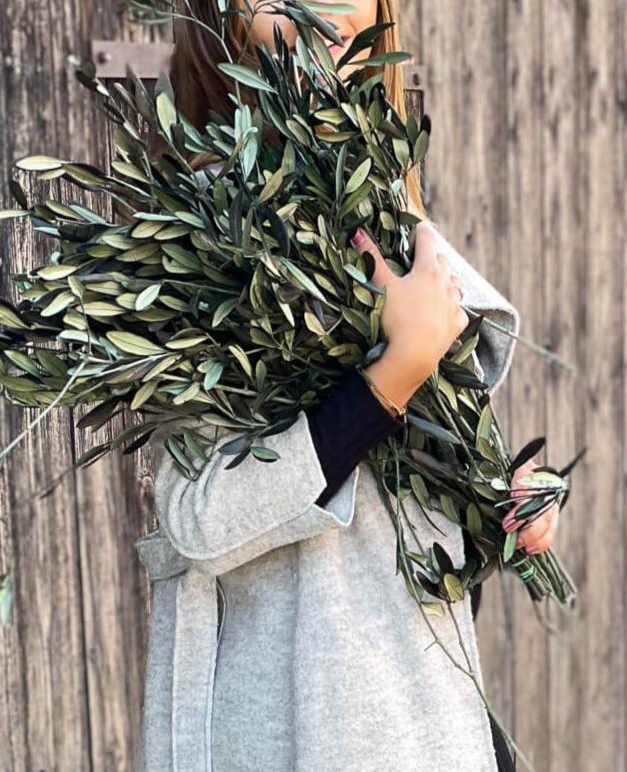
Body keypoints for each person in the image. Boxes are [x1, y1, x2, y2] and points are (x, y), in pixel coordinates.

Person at [133, 1, 561, 769]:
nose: (319, 6)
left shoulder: (398, 224)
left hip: (430, 717)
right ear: (223, 22)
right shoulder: (204, 242)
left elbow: (407, 520)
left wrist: (495, 510)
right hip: (305, 724)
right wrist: (389, 378)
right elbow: (199, 519)